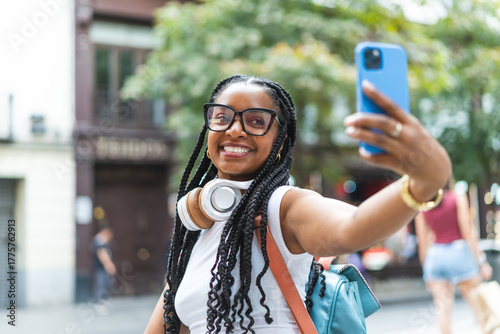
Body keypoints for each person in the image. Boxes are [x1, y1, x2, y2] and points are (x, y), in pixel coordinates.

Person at [144, 74, 451, 334]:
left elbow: (352, 227)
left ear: (281, 140)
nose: (235, 129)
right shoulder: (197, 229)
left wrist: (423, 181)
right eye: (222, 117)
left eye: (255, 121)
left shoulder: (283, 206)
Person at [415, 183, 493, 334]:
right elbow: (466, 231)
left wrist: (426, 271)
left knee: (443, 310)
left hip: (436, 256)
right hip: (457, 253)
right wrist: (481, 261)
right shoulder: (457, 198)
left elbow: (423, 242)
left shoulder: (423, 205)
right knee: (478, 306)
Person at [93, 224, 117, 302]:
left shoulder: (99, 240)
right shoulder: (100, 240)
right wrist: (108, 264)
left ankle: (100, 301)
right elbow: (102, 253)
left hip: (100, 268)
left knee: (102, 285)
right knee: (101, 286)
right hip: (101, 268)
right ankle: (100, 302)